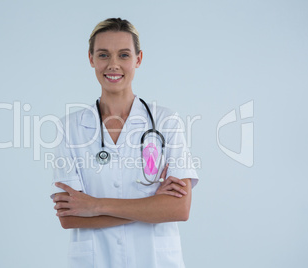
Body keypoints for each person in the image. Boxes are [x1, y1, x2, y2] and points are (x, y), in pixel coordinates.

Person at [50, 18, 199, 268]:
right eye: (103, 54)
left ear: (138, 59)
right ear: (91, 59)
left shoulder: (166, 121)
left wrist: (94, 205)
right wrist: (150, 207)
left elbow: (179, 209)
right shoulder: (69, 128)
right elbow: (69, 217)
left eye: (124, 55)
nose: (113, 65)